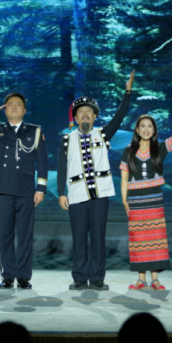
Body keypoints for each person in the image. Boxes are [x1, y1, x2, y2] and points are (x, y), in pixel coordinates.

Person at [58, 71, 135, 291]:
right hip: (76, 195)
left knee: (98, 237)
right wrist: (62, 193)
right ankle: (80, 278)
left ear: (94, 116)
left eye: (89, 112)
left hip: (100, 195)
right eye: (81, 112)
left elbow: (120, 116)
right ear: (75, 117)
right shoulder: (67, 139)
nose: (85, 115)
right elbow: (62, 167)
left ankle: (98, 278)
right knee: (79, 238)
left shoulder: (103, 134)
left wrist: (127, 93)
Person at [0, 93, 48, 290]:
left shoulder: (35, 131)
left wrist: (41, 189)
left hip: (26, 189)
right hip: (3, 189)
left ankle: (24, 277)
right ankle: (7, 276)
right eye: (10, 104)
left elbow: (42, 161)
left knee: (25, 236)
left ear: (24, 110)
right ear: (4, 110)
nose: (13, 107)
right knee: (5, 235)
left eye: (18, 104)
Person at [121, 99, 172, 291]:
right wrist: (124, 201)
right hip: (135, 202)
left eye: (150, 126)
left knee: (155, 239)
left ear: (154, 130)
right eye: (143, 126)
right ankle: (141, 280)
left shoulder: (161, 148)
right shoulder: (128, 151)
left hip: (154, 201)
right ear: (137, 130)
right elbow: (124, 179)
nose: (146, 129)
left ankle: (155, 279)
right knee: (139, 240)